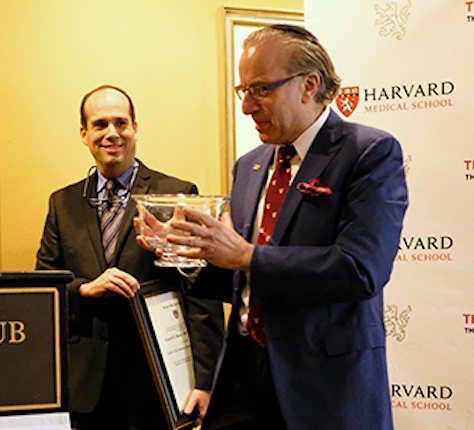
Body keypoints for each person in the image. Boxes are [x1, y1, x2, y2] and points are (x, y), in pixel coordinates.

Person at [139, 25, 408, 430]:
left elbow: (360, 270)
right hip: (243, 379)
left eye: (261, 89)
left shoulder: (368, 153)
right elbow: (241, 279)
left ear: (309, 85)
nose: (247, 107)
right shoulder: (249, 165)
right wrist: (189, 255)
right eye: (243, 90)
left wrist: (245, 255)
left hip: (324, 388)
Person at [36, 85, 223, 429]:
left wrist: (205, 381)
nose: (112, 133)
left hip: (157, 385)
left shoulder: (176, 197)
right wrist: (84, 290)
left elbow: (201, 296)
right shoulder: (62, 204)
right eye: (100, 124)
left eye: (121, 123)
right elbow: (44, 289)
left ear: (135, 128)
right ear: (84, 134)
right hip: (84, 388)